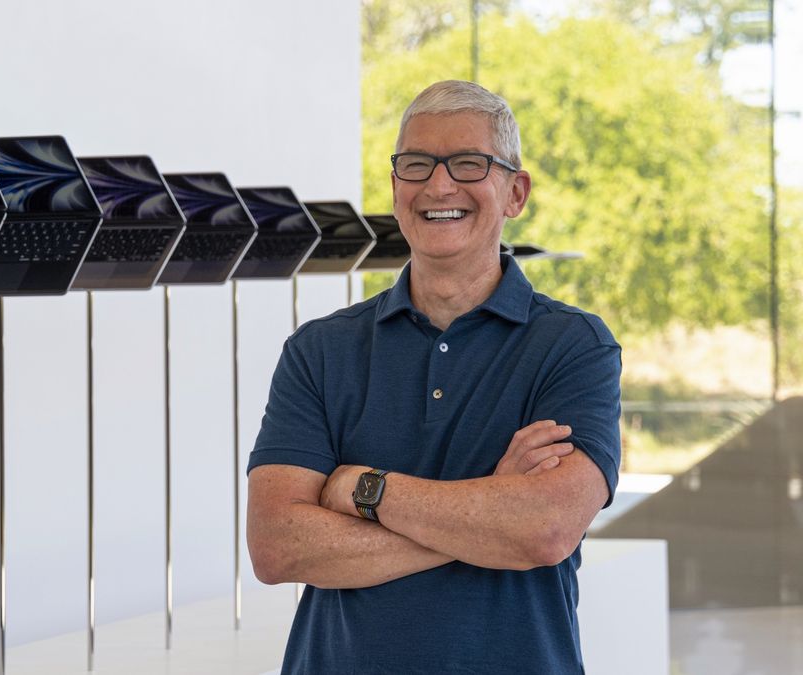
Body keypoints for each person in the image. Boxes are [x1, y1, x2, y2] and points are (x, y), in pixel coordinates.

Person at [245, 80, 621, 674]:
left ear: (515, 191)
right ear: (397, 188)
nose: (438, 186)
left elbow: (544, 530)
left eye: (469, 164)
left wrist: (363, 490)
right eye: (416, 165)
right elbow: (276, 544)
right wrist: (489, 516)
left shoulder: (573, 346)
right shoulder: (318, 350)